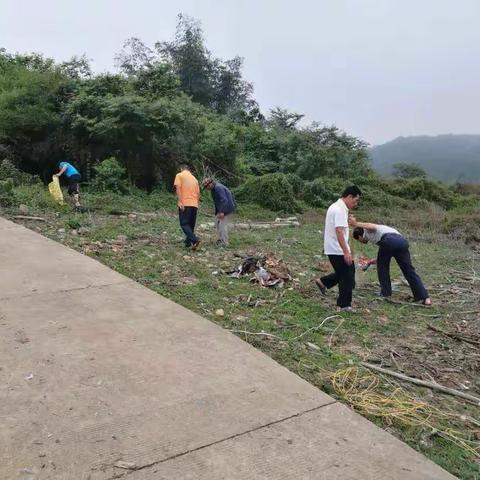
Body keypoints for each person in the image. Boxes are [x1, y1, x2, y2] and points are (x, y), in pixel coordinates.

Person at [350, 218, 432, 305]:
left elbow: (372, 226)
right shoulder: (381, 234)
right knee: (409, 271)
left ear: (359, 236)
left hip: (389, 240)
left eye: (359, 240)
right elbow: (385, 254)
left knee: (382, 268)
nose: (362, 242)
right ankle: (424, 298)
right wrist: (370, 262)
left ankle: (385, 293)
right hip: (402, 242)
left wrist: (356, 223)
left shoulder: (367, 231)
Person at [315, 185, 362, 312]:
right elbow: (339, 231)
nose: (355, 203)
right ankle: (344, 305)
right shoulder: (340, 209)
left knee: (347, 271)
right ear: (349, 196)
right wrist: (346, 252)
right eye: (355, 200)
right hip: (337, 249)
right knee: (346, 276)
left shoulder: (338, 207)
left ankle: (323, 282)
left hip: (335, 247)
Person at [202, 177, 236, 247]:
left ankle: (225, 243)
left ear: (210, 184)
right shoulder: (213, 189)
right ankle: (220, 239)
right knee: (217, 222)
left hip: (227, 208)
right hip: (222, 208)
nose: (206, 188)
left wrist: (222, 212)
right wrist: (217, 212)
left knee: (222, 225)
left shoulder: (218, 188)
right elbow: (217, 202)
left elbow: (224, 200)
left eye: (206, 186)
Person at [174, 164, 200, 249]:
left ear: (181, 169)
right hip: (194, 204)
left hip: (185, 203)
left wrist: (180, 201)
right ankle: (188, 243)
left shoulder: (179, 175)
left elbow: (178, 188)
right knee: (190, 225)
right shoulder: (195, 179)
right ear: (189, 170)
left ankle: (194, 239)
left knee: (184, 224)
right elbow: (198, 194)